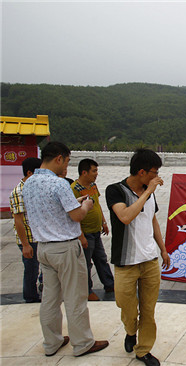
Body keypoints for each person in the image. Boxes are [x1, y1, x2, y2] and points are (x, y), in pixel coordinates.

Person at [22, 142, 109, 357]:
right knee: (75, 297)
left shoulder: (29, 183)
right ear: (59, 158)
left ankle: (52, 342)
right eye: (67, 161)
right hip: (65, 248)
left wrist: (75, 202)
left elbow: (50, 210)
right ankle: (82, 343)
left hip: (43, 248)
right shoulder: (59, 184)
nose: (67, 167)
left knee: (50, 298)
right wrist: (86, 206)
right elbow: (76, 216)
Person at [105, 148, 170, 366]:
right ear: (141, 172)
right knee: (126, 306)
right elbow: (125, 216)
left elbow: (151, 220)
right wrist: (146, 193)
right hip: (126, 263)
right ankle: (130, 331)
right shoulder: (115, 190)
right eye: (154, 171)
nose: (157, 176)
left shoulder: (148, 192)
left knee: (149, 310)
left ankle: (143, 351)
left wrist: (162, 248)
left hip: (150, 261)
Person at [71, 158, 115, 301]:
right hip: (85, 232)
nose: (96, 174)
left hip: (96, 231)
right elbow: (73, 215)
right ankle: (87, 290)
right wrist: (81, 235)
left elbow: (97, 205)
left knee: (101, 258)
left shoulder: (93, 186)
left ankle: (109, 284)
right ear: (84, 172)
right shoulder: (74, 189)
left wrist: (103, 222)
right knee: (85, 263)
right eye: (94, 171)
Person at [9, 157, 43, 303]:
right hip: (29, 239)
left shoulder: (35, 189)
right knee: (31, 270)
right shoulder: (19, 192)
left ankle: (40, 292)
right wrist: (25, 245)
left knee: (41, 268)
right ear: (29, 173)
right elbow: (18, 220)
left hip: (39, 237)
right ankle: (30, 298)